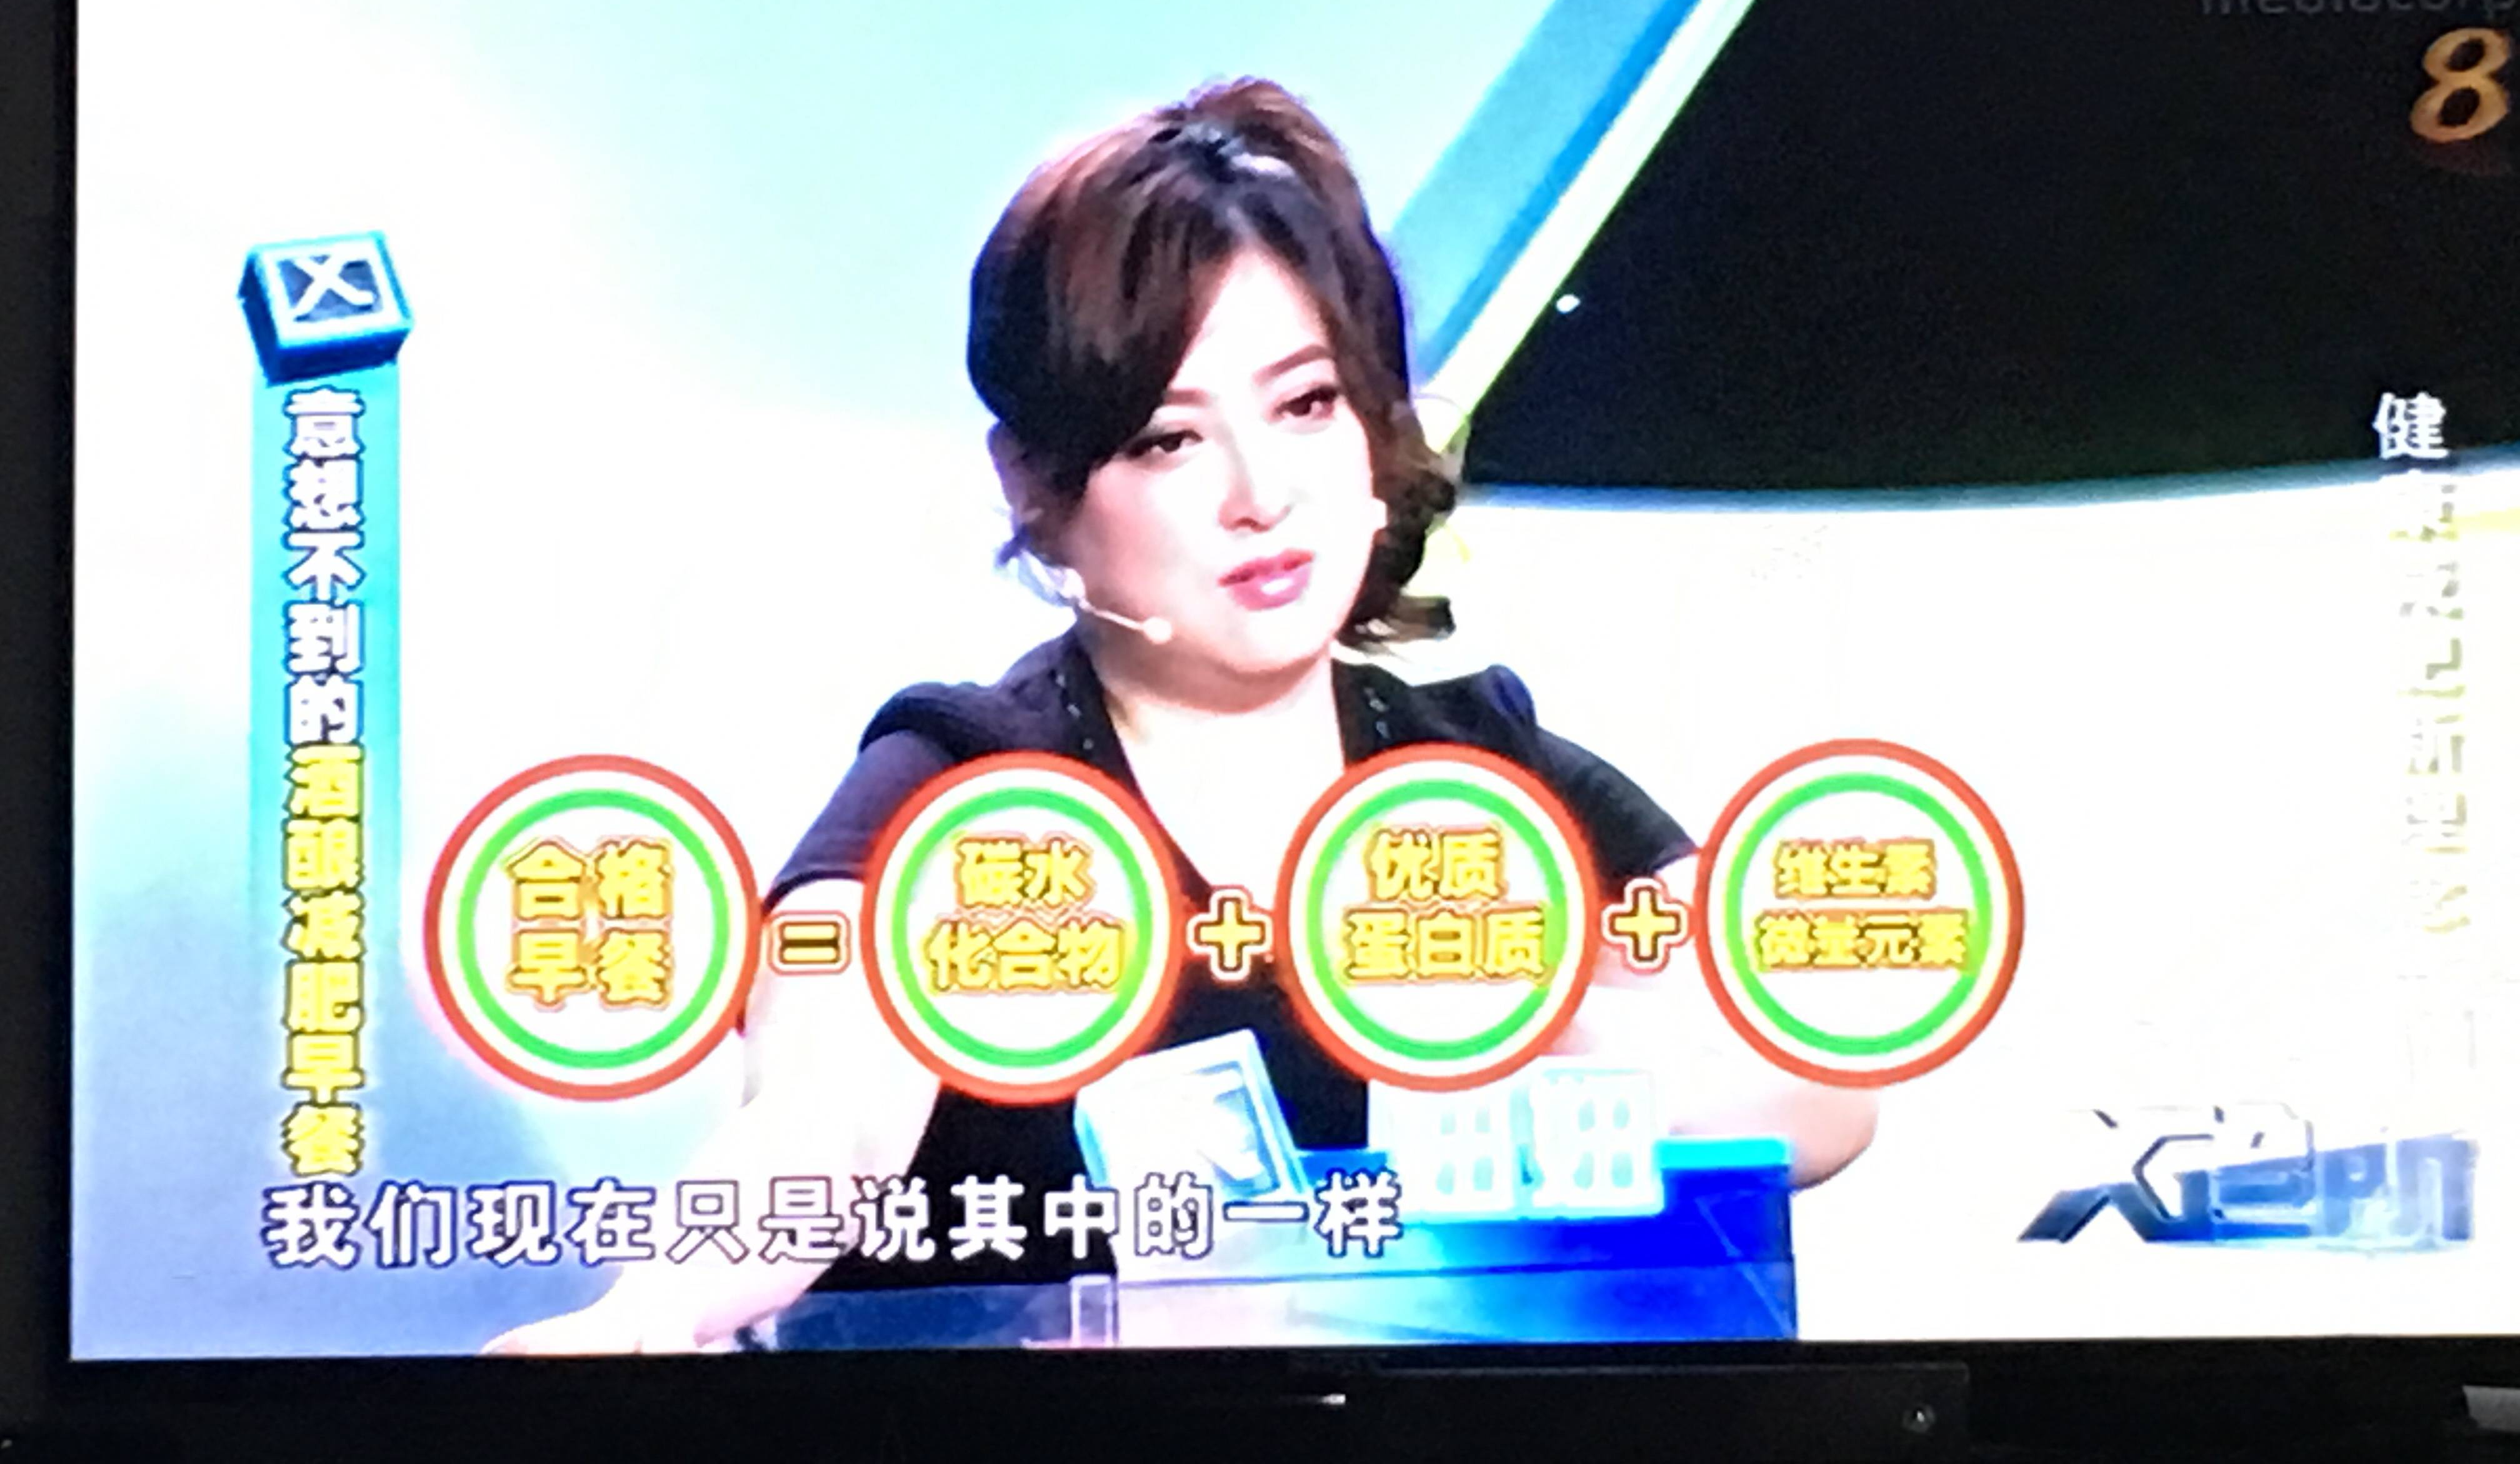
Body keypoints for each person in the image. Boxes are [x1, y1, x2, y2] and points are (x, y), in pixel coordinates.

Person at [490, 77, 1874, 1354]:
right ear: (1037, 488)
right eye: (1170, 438)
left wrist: (1531, 1033)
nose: (1262, 495)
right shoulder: (958, 789)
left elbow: (1820, 1097)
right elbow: (823, 1128)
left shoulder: (1487, 766)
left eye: (1308, 405)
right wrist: (641, 1318)